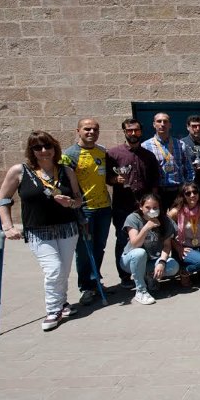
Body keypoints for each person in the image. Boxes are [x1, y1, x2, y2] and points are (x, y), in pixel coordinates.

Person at [0, 131, 84, 331]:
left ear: (55, 148)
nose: (44, 151)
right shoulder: (20, 171)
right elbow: (2, 199)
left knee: (64, 269)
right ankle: (53, 310)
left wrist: (70, 202)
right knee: (53, 269)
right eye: (38, 147)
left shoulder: (66, 171)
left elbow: (79, 200)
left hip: (67, 228)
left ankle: (62, 303)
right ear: (31, 151)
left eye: (47, 146)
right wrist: (7, 226)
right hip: (38, 231)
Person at [62, 118, 114, 306]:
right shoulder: (69, 155)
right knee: (84, 250)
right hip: (85, 210)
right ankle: (86, 287)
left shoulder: (102, 152)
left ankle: (95, 281)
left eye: (95, 129)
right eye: (87, 129)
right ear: (78, 130)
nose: (91, 132)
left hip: (103, 208)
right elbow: (65, 185)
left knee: (99, 247)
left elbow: (108, 178)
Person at [107, 118, 161, 290]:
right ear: (124, 132)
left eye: (136, 130)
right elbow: (106, 178)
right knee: (123, 239)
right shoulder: (113, 154)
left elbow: (154, 182)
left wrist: (155, 206)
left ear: (141, 132)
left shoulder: (148, 155)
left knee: (146, 238)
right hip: (123, 206)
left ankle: (144, 271)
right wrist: (115, 179)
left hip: (145, 208)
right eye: (129, 130)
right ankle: (125, 276)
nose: (133, 133)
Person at [120, 193, 181, 305]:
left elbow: (167, 245)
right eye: (147, 207)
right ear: (141, 207)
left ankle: (150, 277)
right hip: (130, 260)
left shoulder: (165, 220)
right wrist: (146, 227)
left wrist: (162, 262)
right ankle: (141, 290)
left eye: (155, 208)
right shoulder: (133, 218)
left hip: (152, 259)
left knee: (173, 266)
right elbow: (135, 244)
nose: (151, 211)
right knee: (140, 253)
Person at [143, 112, 195, 210]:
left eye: (165, 121)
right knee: (159, 221)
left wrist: (188, 186)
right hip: (158, 192)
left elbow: (189, 168)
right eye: (159, 121)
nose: (162, 124)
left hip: (178, 191)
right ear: (154, 124)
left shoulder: (180, 144)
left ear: (170, 125)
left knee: (178, 221)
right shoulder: (145, 146)